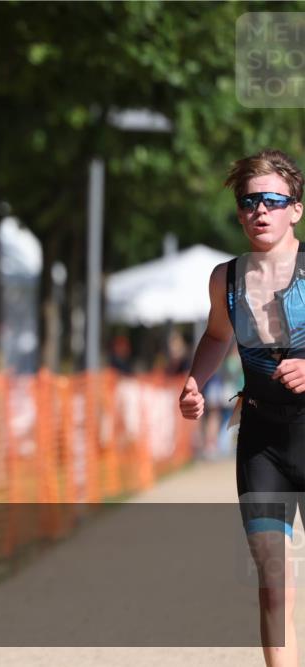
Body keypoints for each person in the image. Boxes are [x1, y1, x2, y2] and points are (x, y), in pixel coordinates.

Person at [179, 149, 305, 666]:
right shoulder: (225, 279)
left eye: (274, 200)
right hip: (262, 444)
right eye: (250, 201)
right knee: (273, 583)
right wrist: (193, 380)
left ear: (295, 209)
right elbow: (214, 336)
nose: (261, 210)